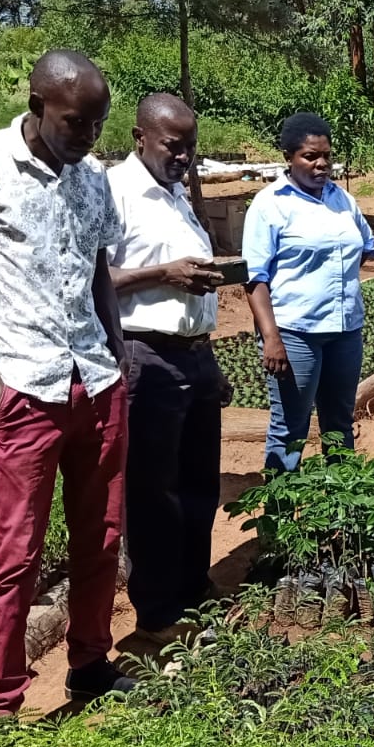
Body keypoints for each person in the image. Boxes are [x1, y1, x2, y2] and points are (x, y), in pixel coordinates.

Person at [0, 50, 133, 713]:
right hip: (23, 387)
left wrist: (117, 349)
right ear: (38, 102)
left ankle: (90, 664)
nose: (87, 135)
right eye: (77, 122)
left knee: (101, 539)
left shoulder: (93, 178)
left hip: (95, 384)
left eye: (98, 124)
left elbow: (99, 268)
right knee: (14, 556)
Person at [106, 93, 230, 646]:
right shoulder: (115, 193)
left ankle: (191, 585)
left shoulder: (177, 195)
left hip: (194, 352)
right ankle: (156, 612)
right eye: (173, 147)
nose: (184, 158)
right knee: (152, 491)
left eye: (191, 149)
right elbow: (95, 278)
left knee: (200, 480)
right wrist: (163, 274)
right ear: (140, 137)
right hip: (145, 355)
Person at [243, 112, 374, 471]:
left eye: (326, 156)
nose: (321, 164)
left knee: (339, 424)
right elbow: (254, 278)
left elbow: (364, 246)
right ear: (289, 157)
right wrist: (271, 337)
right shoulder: (271, 203)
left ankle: (340, 512)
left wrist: (330, 282)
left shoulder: (342, 200)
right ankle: (281, 516)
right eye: (310, 156)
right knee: (291, 427)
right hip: (295, 334)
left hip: (345, 331)